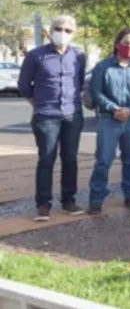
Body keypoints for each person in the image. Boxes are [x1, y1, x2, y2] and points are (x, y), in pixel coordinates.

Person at [17, 15, 87, 221]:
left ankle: (68, 201)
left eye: (68, 30)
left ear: (74, 33)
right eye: (59, 29)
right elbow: (24, 85)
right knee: (47, 159)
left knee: (70, 159)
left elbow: (79, 82)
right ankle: (43, 204)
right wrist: (39, 104)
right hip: (46, 116)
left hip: (72, 115)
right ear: (50, 30)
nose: (63, 33)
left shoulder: (78, 56)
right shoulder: (36, 55)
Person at [87, 28, 130, 215]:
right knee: (103, 161)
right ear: (117, 44)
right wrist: (114, 109)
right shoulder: (103, 66)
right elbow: (96, 92)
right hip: (109, 119)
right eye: (126, 42)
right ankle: (96, 199)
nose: (129, 47)